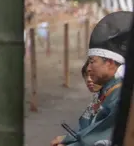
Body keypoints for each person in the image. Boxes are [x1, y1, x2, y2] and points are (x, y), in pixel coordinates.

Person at [51, 12, 130, 145]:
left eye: (93, 61)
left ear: (110, 63)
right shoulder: (108, 89)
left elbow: (102, 138)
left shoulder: (120, 96)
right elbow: (89, 128)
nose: (88, 68)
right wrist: (69, 139)